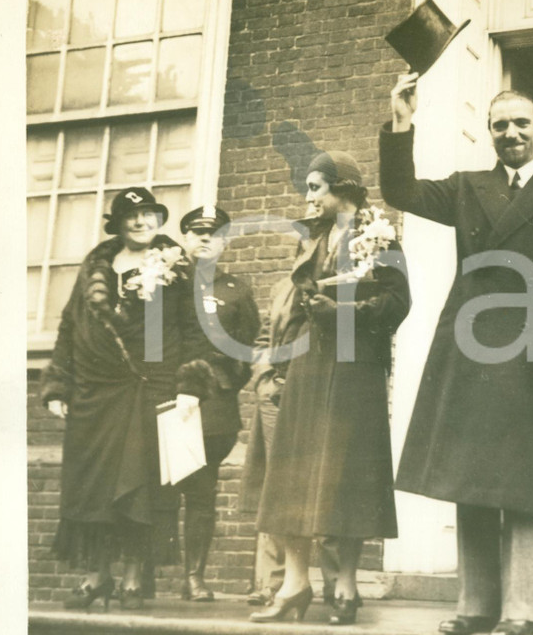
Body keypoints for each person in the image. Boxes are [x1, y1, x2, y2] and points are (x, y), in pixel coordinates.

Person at [381, 75, 533, 635]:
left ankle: (522, 609)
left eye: (520, 123)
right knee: (472, 478)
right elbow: (400, 192)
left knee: (526, 484)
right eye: (499, 125)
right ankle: (476, 604)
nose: (510, 133)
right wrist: (402, 122)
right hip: (474, 349)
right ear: (489, 134)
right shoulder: (467, 187)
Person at [251, 152, 410, 626]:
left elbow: (398, 304)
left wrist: (342, 313)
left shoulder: (379, 234)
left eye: (316, 187)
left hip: (355, 367)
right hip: (308, 363)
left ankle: (345, 586)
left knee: (349, 476)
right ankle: (296, 584)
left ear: (344, 188)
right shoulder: (313, 239)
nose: (308, 196)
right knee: (294, 474)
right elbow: (293, 305)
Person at [40, 187, 206, 611]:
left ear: (158, 220)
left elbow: (194, 331)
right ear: (117, 223)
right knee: (92, 486)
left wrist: (189, 383)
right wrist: (58, 385)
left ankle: (133, 578)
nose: (141, 222)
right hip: (94, 394)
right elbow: (69, 327)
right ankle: (97, 578)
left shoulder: (177, 268)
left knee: (142, 485)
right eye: (131, 216)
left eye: (149, 214)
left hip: (150, 387)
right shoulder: (95, 267)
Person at [242, 155, 343, 609]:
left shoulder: (318, 279)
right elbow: (267, 333)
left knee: (318, 484)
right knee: (278, 486)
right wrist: (265, 376)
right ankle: (274, 582)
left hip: (308, 388)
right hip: (276, 390)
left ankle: (327, 582)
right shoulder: (285, 287)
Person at [175, 205, 260, 602]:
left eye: (215, 232)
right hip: (165, 400)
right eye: (196, 232)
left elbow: (245, 346)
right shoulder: (165, 282)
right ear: (185, 238)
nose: (205, 238)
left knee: (201, 491)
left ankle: (195, 576)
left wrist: (219, 381)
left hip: (212, 407)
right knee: (154, 488)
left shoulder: (235, 290)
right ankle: (136, 574)